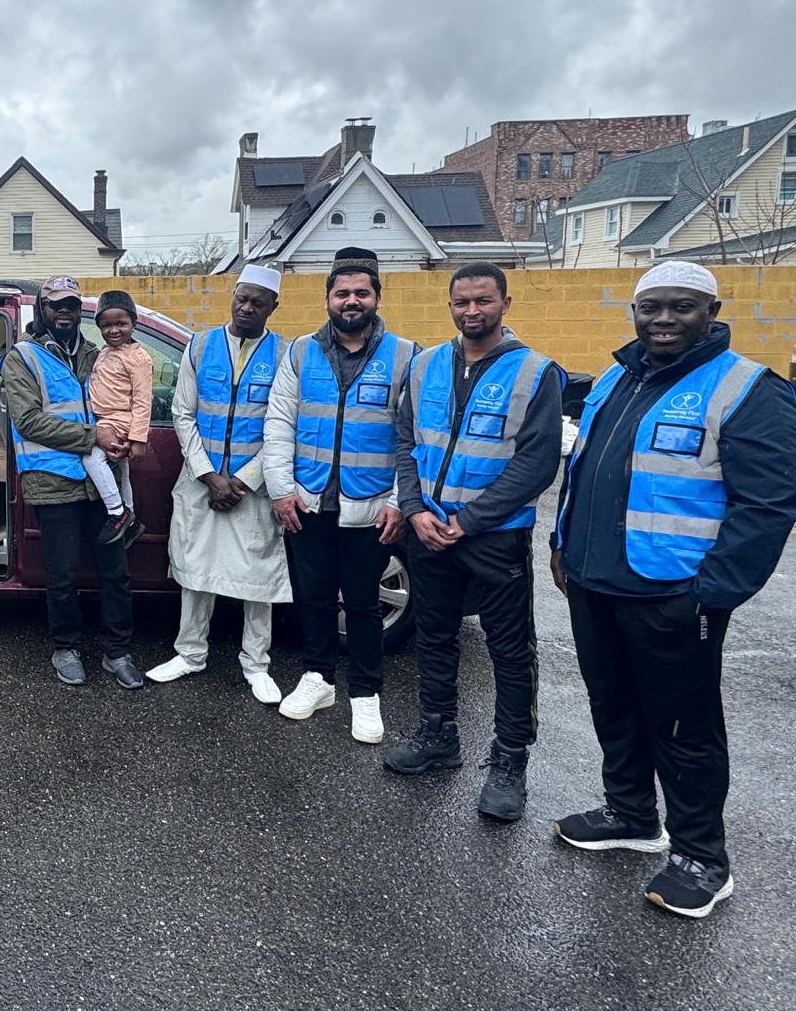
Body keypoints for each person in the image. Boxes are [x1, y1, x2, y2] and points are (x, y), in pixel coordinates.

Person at [549, 261, 796, 918]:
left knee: (684, 727)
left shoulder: (745, 388)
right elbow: (584, 472)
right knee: (613, 705)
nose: (663, 319)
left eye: (681, 306)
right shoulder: (616, 377)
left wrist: (713, 591)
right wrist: (562, 546)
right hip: (596, 581)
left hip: (675, 593)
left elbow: (768, 504)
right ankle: (631, 813)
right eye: (650, 306)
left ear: (711, 312)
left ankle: (701, 858)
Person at [385, 262, 564, 823]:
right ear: (450, 305)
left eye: (483, 301)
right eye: (461, 302)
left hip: (495, 538)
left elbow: (537, 463)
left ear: (505, 304)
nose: (471, 311)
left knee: (510, 652)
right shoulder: (425, 366)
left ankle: (509, 761)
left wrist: (471, 520)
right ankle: (438, 735)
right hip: (429, 531)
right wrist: (414, 509)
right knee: (435, 638)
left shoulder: (535, 372)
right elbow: (406, 441)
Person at [264, 248, 413, 744]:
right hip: (310, 500)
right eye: (342, 293)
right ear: (328, 298)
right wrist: (282, 490)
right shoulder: (301, 352)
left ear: (376, 298)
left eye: (361, 293)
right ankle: (318, 678)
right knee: (315, 597)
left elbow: (413, 437)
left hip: (371, 505)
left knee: (364, 603)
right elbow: (279, 423)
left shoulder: (405, 356)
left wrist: (399, 500)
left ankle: (365, 694)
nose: (352, 301)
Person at [146, 264, 291, 703]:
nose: (246, 308)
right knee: (196, 569)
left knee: (258, 575)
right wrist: (209, 476)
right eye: (241, 298)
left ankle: (257, 664)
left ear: (273, 307)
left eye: (257, 303)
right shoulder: (200, 345)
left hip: (254, 487)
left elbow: (283, 426)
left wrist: (242, 482)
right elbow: (182, 413)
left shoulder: (285, 355)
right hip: (201, 482)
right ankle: (189, 653)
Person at [0, 274, 142, 689]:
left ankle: (118, 652)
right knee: (61, 573)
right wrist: (92, 436)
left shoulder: (98, 354)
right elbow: (28, 421)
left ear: (81, 311)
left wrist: (127, 433)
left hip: (102, 481)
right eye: (55, 305)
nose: (64, 311)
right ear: (42, 309)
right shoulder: (23, 357)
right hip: (54, 481)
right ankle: (66, 647)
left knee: (115, 572)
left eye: (72, 305)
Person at [84, 289, 152, 544]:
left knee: (91, 457)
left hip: (120, 419)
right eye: (106, 325)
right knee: (121, 468)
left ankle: (117, 512)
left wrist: (138, 439)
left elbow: (143, 401)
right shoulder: (104, 352)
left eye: (121, 324)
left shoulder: (138, 358)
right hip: (104, 419)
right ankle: (130, 518)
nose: (114, 330)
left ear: (134, 323)